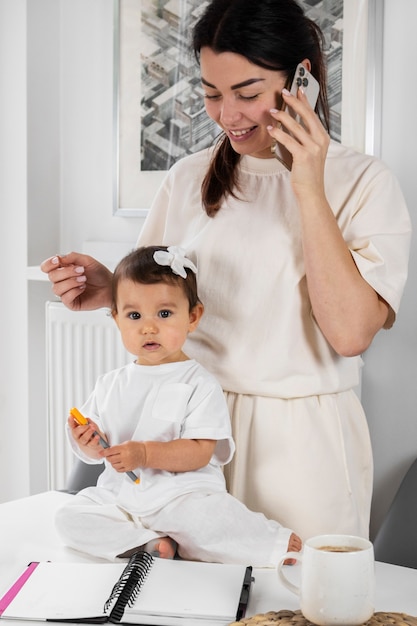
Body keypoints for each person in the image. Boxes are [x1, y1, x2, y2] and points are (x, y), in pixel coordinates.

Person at [42, 0, 411, 541]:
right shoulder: (188, 177)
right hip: (185, 431)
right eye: (212, 94)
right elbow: (164, 309)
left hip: (298, 448)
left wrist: (306, 183)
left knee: (290, 608)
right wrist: (109, 292)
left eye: (248, 93)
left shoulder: (363, 182)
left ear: (301, 79)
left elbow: (351, 333)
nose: (227, 114)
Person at [55, 245, 302, 564]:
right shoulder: (110, 383)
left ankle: (271, 541)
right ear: (116, 318)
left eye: (164, 313)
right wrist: (87, 441)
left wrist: (144, 454)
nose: (148, 327)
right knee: (69, 517)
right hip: (120, 497)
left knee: (208, 519)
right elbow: (95, 449)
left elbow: (200, 451)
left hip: (179, 497)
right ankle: (150, 543)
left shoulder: (198, 383)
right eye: (134, 315)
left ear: (193, 317)